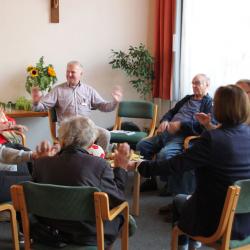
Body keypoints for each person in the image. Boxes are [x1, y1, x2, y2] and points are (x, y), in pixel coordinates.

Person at [129, 85, 250, 250]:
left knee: (180, 200)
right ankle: (193, 244)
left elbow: (175, 165)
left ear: (220, 108)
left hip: (218, 224)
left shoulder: (212, 139)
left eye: (215, 104)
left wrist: (138, 165)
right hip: (246, 224)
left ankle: (189, 245)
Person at [31, 116, 131, 248]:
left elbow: (34, 197)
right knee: (122, 216)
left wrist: (42, 163)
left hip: (49, 232)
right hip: (88, 235)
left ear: (62, 140)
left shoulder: (40, 164)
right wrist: (121, 169)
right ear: (91, 143)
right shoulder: (99, 165)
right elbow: (118, 199)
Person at [136, 73, 213, 196]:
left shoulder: (209, 104)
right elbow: (171, 112)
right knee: (142, 145)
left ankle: (169, 185)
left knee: (164, 154)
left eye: (197, 83)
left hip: (182, 136)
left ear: (207, 85)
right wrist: (165, 121)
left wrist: (181, 125)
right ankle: (151, 180)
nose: (194, 86)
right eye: (192, 83)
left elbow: (202, 127)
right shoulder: (187, 98)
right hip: (167, 131)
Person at [31, 61, 123, 151]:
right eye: (67, 72)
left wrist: (115, 101)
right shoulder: (57, 90)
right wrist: (36, 102)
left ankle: (99, 161)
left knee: (105, 134)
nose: (69, 74)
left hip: (86, 128)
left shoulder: (89, 90)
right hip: (68, 129)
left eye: (73, 72)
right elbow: (41, 107)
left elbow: (104, 106)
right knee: (75, 142)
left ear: (81, 73)